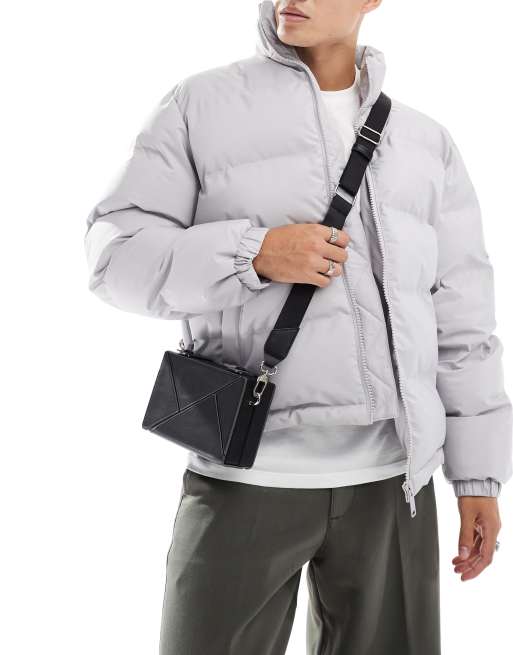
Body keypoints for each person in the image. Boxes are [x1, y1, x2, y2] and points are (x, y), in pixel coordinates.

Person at [84, 1, 512, 653]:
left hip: (394, 486)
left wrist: (477, 478)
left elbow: (461, 318)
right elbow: (114, 258)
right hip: (242, 477)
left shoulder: (425, 142)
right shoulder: (199, 107)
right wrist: (253, 253)